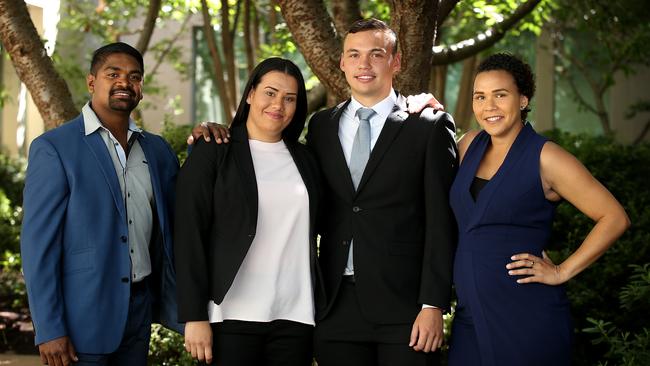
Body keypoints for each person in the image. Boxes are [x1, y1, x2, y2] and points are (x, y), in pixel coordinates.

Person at [447, 53, 630, 366]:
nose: (488, 107)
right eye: (480, 97)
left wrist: (561, 271)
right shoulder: (468, 145)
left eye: (500, 95)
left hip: (526, 317)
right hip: (469, 318)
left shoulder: (547, 157)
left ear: (522, 100)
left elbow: (614, 217)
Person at [306, 18, 457, 366]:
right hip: (334, 305)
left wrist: (433, 304)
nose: (364, 64)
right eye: (354, 55)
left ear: (396, 61)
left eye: (376, 54)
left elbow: (440, 221)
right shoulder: (321, 127)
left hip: (406, 308)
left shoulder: (428, 126)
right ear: (342, 62)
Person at [20, 42, 182, 366]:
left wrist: (209, 140)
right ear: (92, 81)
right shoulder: (55, 148)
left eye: (134, 76)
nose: (125, 82)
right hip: (82, 319)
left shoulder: (158, 152)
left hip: (139, 312)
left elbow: (179, 222)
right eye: (114, 74)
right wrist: (49, 328)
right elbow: (38, 246)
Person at [174, 57, 322, 366]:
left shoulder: (307, 159)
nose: (278, 104)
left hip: (295, 318)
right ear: (251, 94)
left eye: (289, 98)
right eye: (270, 92)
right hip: (231, 317)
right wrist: (194, 316)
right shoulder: (214, 151)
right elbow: (188, 234)